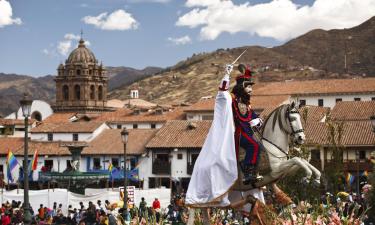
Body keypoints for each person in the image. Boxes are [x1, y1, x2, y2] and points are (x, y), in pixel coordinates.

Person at [229, 64, 263, 184]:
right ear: (242, 87)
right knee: (255, 145)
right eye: (248, 87)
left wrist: (258, 120)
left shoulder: (247, 105)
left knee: (260, 146)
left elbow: (252, 116)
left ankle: (253, 171)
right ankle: (246, 170)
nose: (251, 90)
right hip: (238, 133)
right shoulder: (233, 102)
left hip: (247, 131)